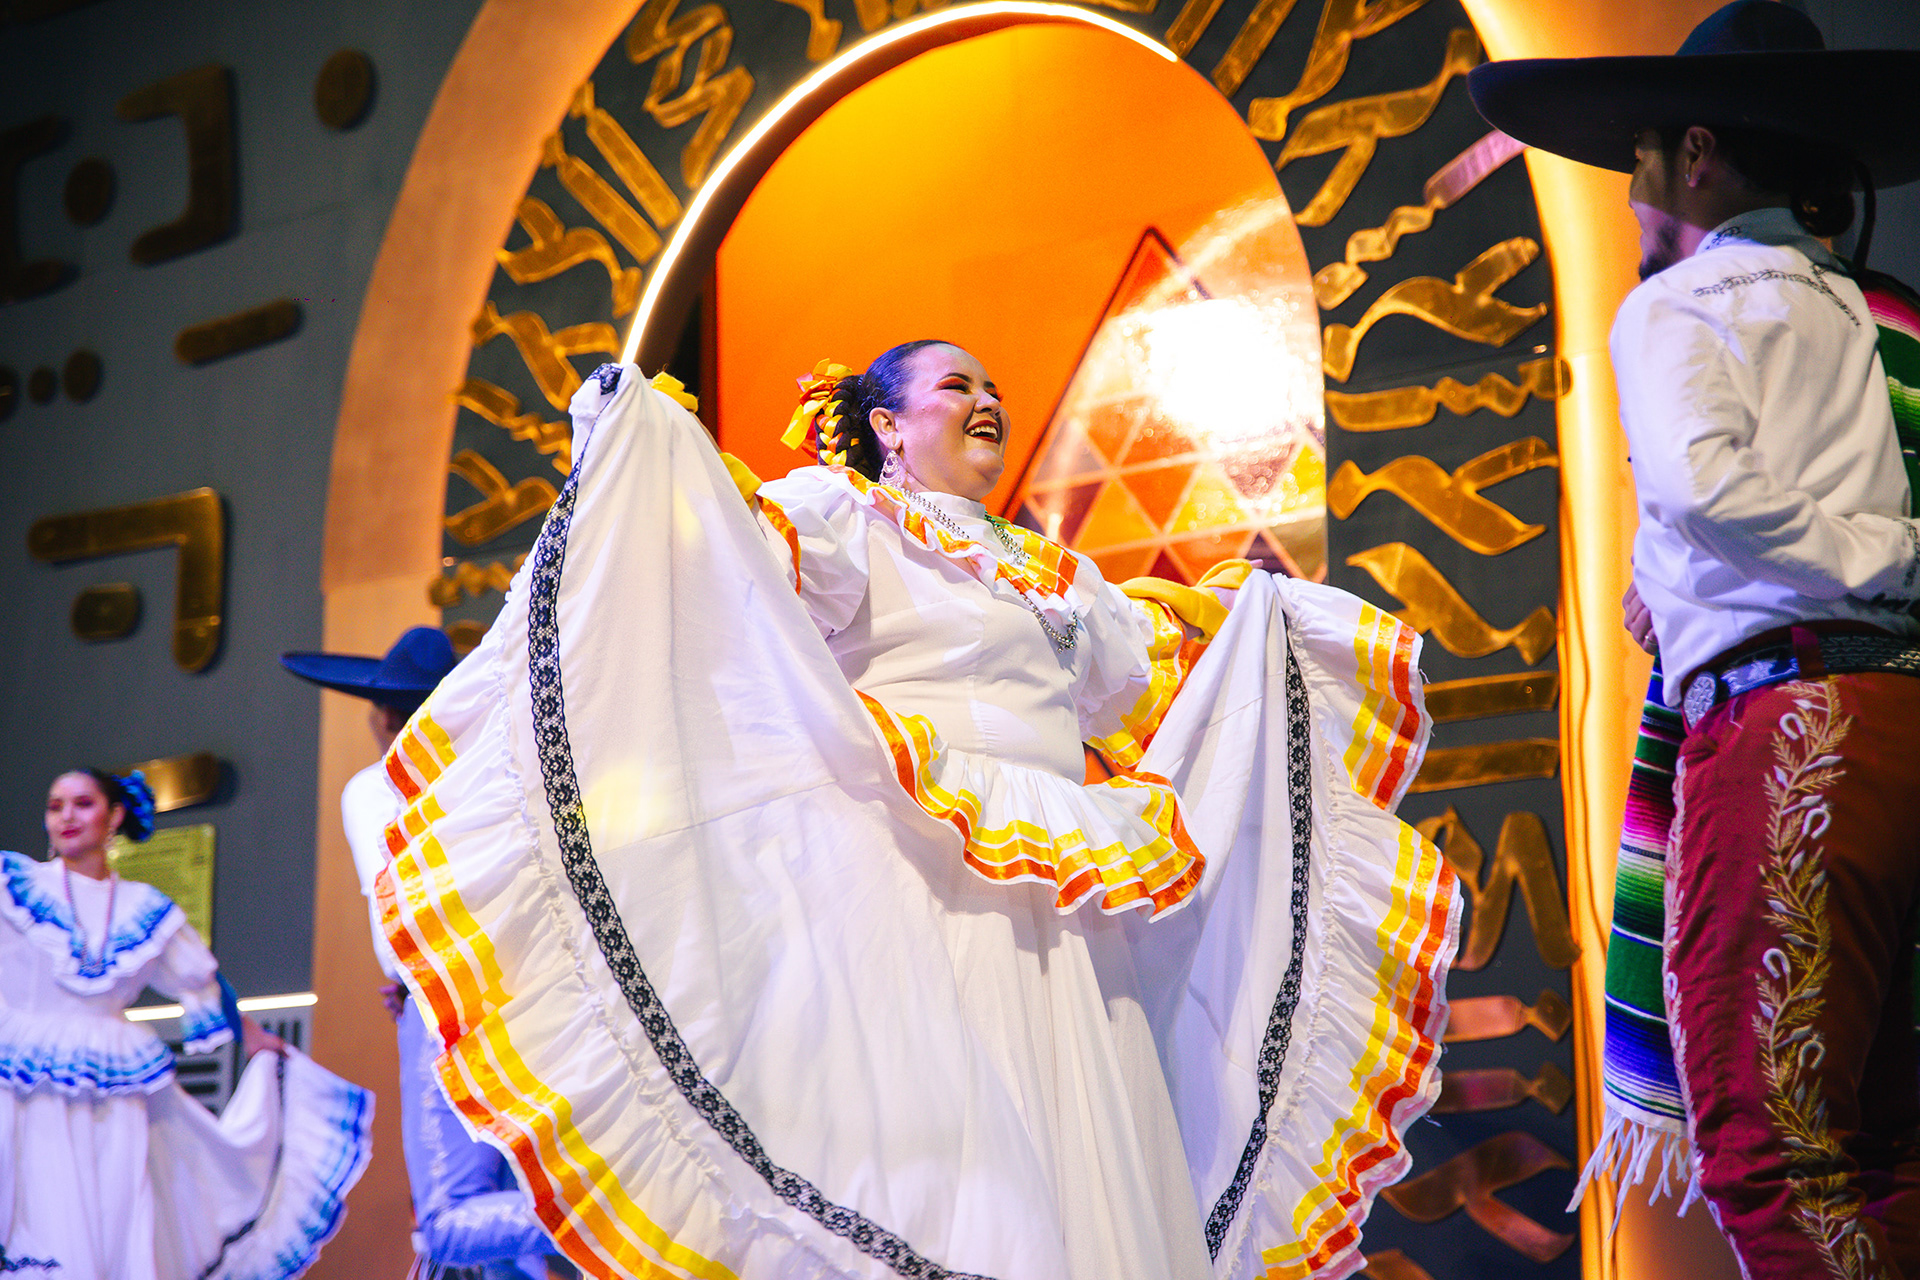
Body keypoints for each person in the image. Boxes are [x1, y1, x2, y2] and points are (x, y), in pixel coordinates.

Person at [374, 346, 1458, 1280]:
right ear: (888, 426)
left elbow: (1147, 680)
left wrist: (1257, 618)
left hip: (1073, 900)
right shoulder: (847, 515)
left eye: (993, 388)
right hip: (929, 888)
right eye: (955, 385)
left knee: (1099, 1162)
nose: (986, 400)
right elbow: (730, 565)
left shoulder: (1054, 573)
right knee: (966, 1169)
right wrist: (650, 443)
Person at [1470, 3, 1920, 1275]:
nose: (1631, 194)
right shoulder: (1877, 313)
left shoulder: (1678, 304)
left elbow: (1706, 487)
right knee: (1886, 1136)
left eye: (1640, 160)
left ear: (1700, 154)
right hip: (1898, 722)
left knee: (1767, 1142)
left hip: (1790, 724)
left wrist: (1886, 563)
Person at [0, 767, 373, 1279]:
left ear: (114, 816)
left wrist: (255, 1039)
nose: (66, 816)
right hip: (24, 1077)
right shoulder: (13, 885)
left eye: (83, 804)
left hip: (115, 1086)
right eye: (55, 805)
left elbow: (201, 979)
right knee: (35, 1206)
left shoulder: (144, 907)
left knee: (116, 1211)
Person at [281, 630, 561, 1279]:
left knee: (447, 1219)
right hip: (529, 995)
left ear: (387, 714)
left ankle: (610, 1210)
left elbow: (403, 910)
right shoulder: (496, 778)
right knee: (509, 1189)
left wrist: (411, 981)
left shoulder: (375, 788)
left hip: (443, 1005)